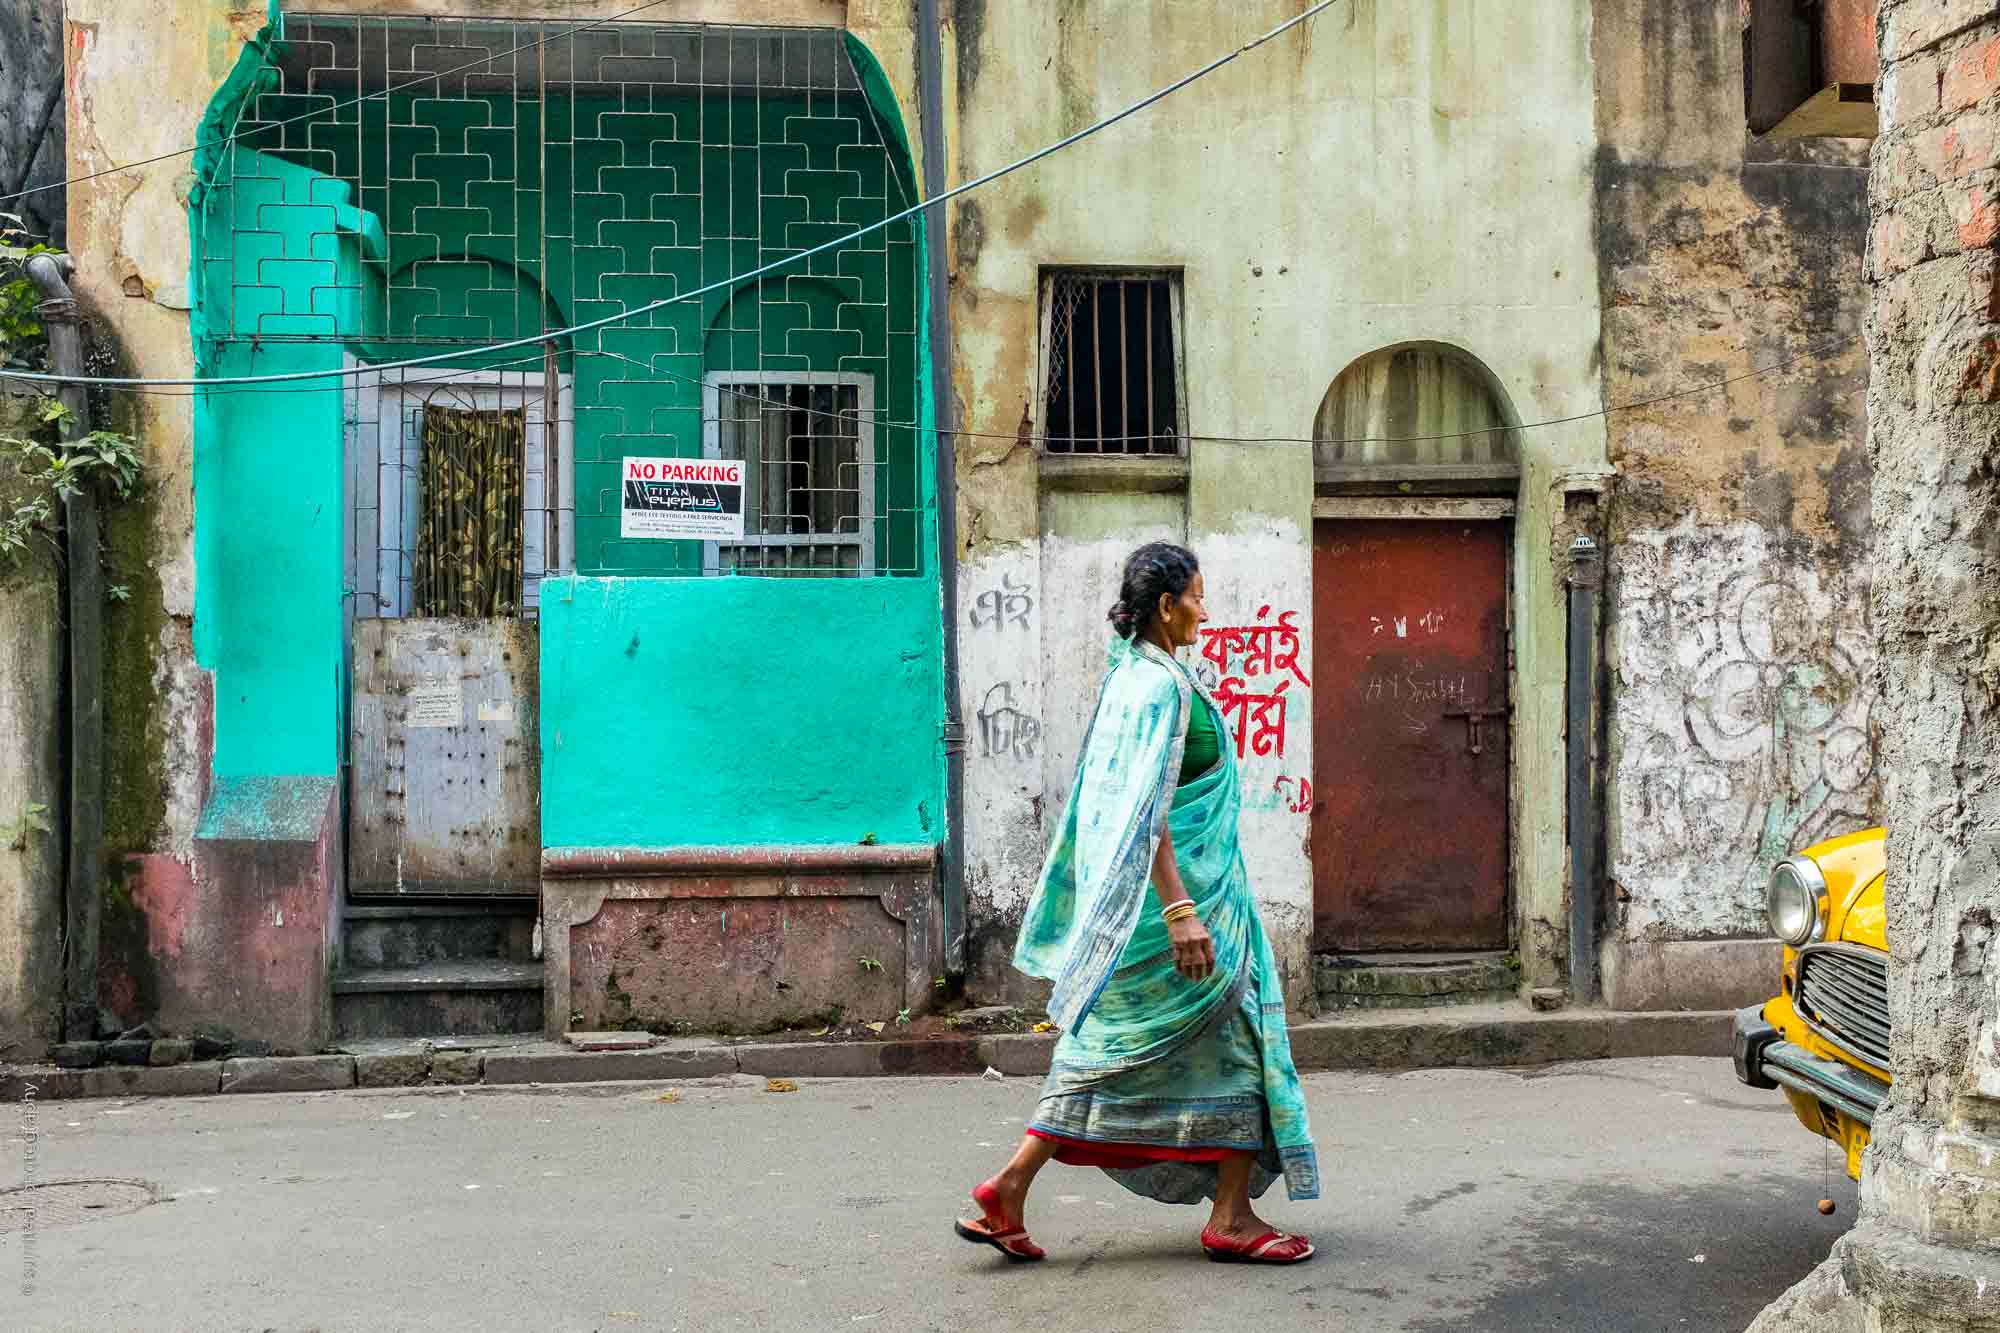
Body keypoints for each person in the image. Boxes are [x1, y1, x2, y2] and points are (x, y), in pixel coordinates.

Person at [954, 542, 1318, 1266]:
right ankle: (1233, 1218)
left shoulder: (1131, 677)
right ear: (1166, 605)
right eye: (1198, 596)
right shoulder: (1158, 687)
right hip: (1176, 912)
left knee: (1106, 1051)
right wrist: (1181, 911)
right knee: (1241, 1038)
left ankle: (1011, 1187)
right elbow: (1144, 807)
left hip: (1148, 913)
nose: (1205, 611)